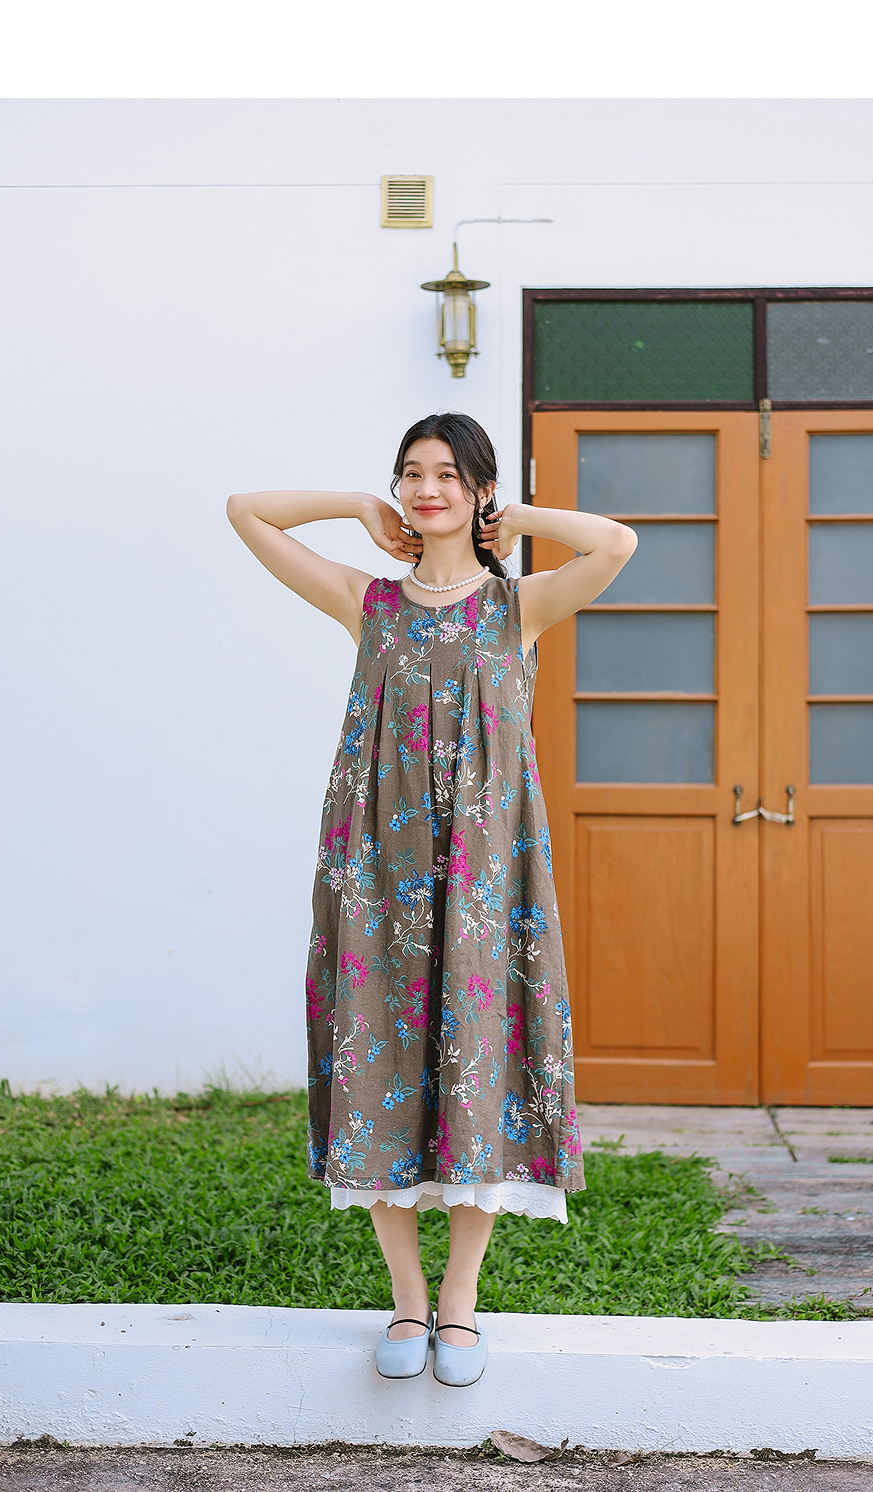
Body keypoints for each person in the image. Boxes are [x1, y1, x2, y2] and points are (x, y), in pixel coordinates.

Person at [227, 412, 636, 1386]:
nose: (427, 489)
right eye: (412, 473)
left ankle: (460, 1300)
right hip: (376, 869)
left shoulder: (517, 607)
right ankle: (406, 1297)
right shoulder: (366, 601)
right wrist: (353, 505)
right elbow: (246, 512)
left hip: (485, 876)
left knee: (476, 1064)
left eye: (449, 474)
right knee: (377, 1055)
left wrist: (517, 519)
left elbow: (617, 543)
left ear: (479, 489)